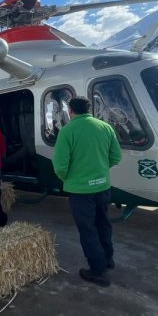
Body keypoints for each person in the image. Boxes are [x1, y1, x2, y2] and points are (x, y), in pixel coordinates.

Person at [52, 97, 122, 288]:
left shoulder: (67, 131)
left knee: (88, 229)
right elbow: (116, 156)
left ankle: (98, 271)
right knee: (103, 223)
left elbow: (60, 165)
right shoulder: (105, 127)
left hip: (80, 191)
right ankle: (108, 259)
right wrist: (99, 169)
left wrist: (68, 178)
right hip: (103, 187)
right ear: (88, 109)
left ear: (71, 111)